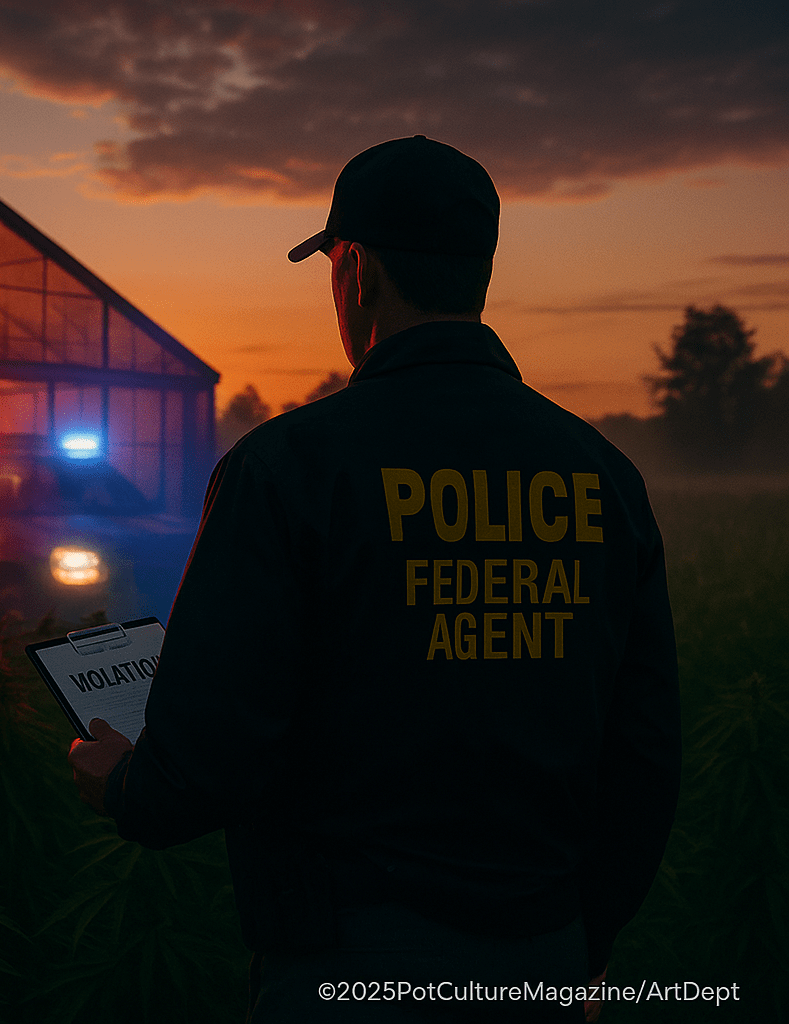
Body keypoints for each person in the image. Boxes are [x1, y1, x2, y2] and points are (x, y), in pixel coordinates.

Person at [68, 135, 682, 1022]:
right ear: (479, 271)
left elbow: (208, 752)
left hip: (342, 967)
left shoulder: (286, 469)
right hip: (545, 952)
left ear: (354, 273)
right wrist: (587, 939)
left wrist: (124, 783)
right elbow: (645, 755)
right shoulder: (603, 476)